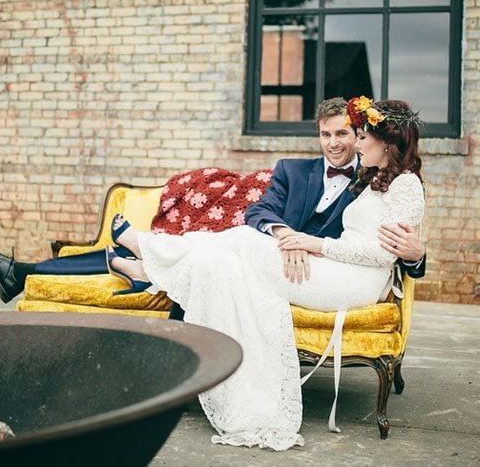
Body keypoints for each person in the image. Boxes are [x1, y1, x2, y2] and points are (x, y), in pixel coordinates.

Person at [104, 97, 425, 450]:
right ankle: (147, 261)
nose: (355, 142)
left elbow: (383, 254)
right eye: (330, 134)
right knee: (221, 259)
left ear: (386, 143)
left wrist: (313, 244)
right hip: (330, 266)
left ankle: (144, 252)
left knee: (240, 243)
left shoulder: (404, 185)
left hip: (351, 279)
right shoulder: (376, 179)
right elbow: (265, 213)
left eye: (360, 137)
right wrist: (292, 239)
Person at [0, 98, 426, 306]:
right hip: (252, 238)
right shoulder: (293, 169)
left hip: (287, 263)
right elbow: (259, 211)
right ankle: (25, 273)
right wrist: (285, 234)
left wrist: (418, 256)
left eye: (344, 134)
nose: (334, 144)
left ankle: (36, 272)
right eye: (325, 135)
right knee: (171, 248)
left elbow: (389, 237)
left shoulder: (372, 178)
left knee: (149, 250)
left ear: (360, 134)